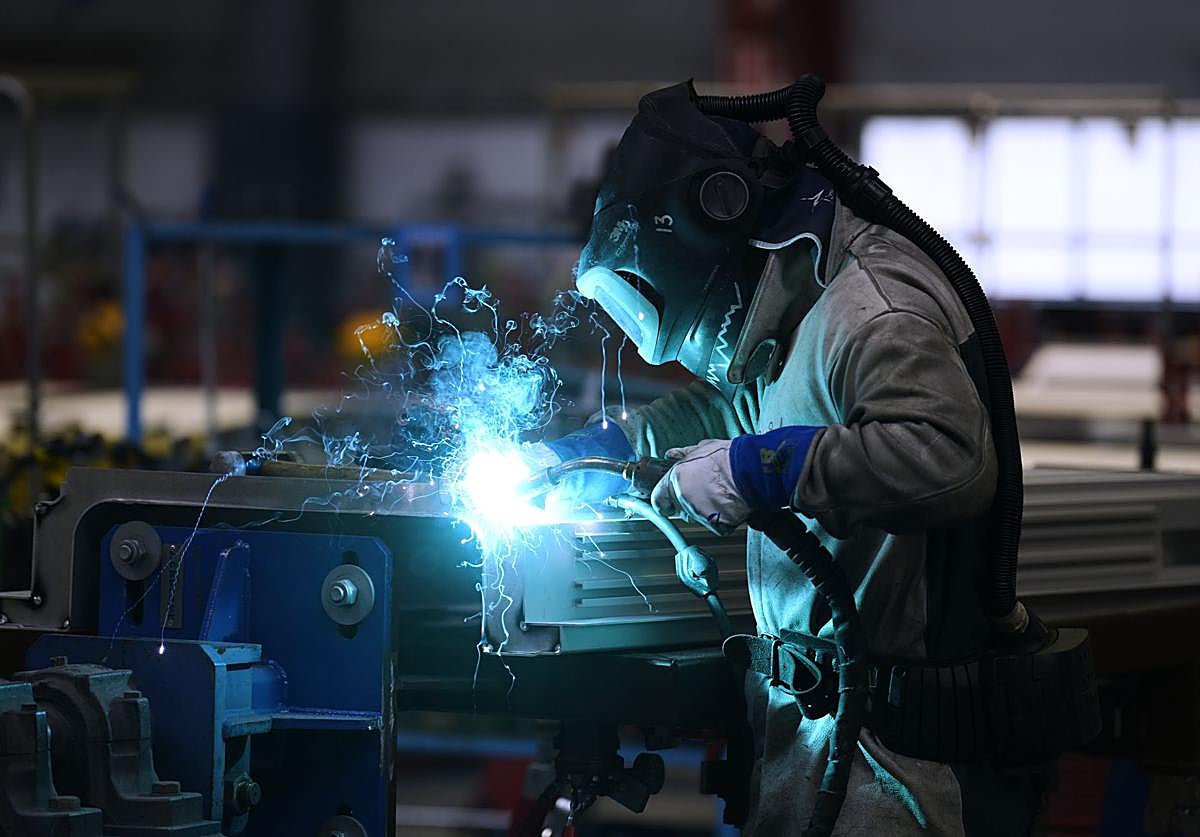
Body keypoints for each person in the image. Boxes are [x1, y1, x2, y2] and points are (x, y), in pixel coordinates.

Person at [531, 81, 1048, 836]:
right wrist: (612, 447)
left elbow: (948, 458)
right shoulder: (804, 303)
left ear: (716, 217)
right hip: (822, 741)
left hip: (902, 772)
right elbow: (753, 413)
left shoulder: (869, 305)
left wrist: (754, 471)